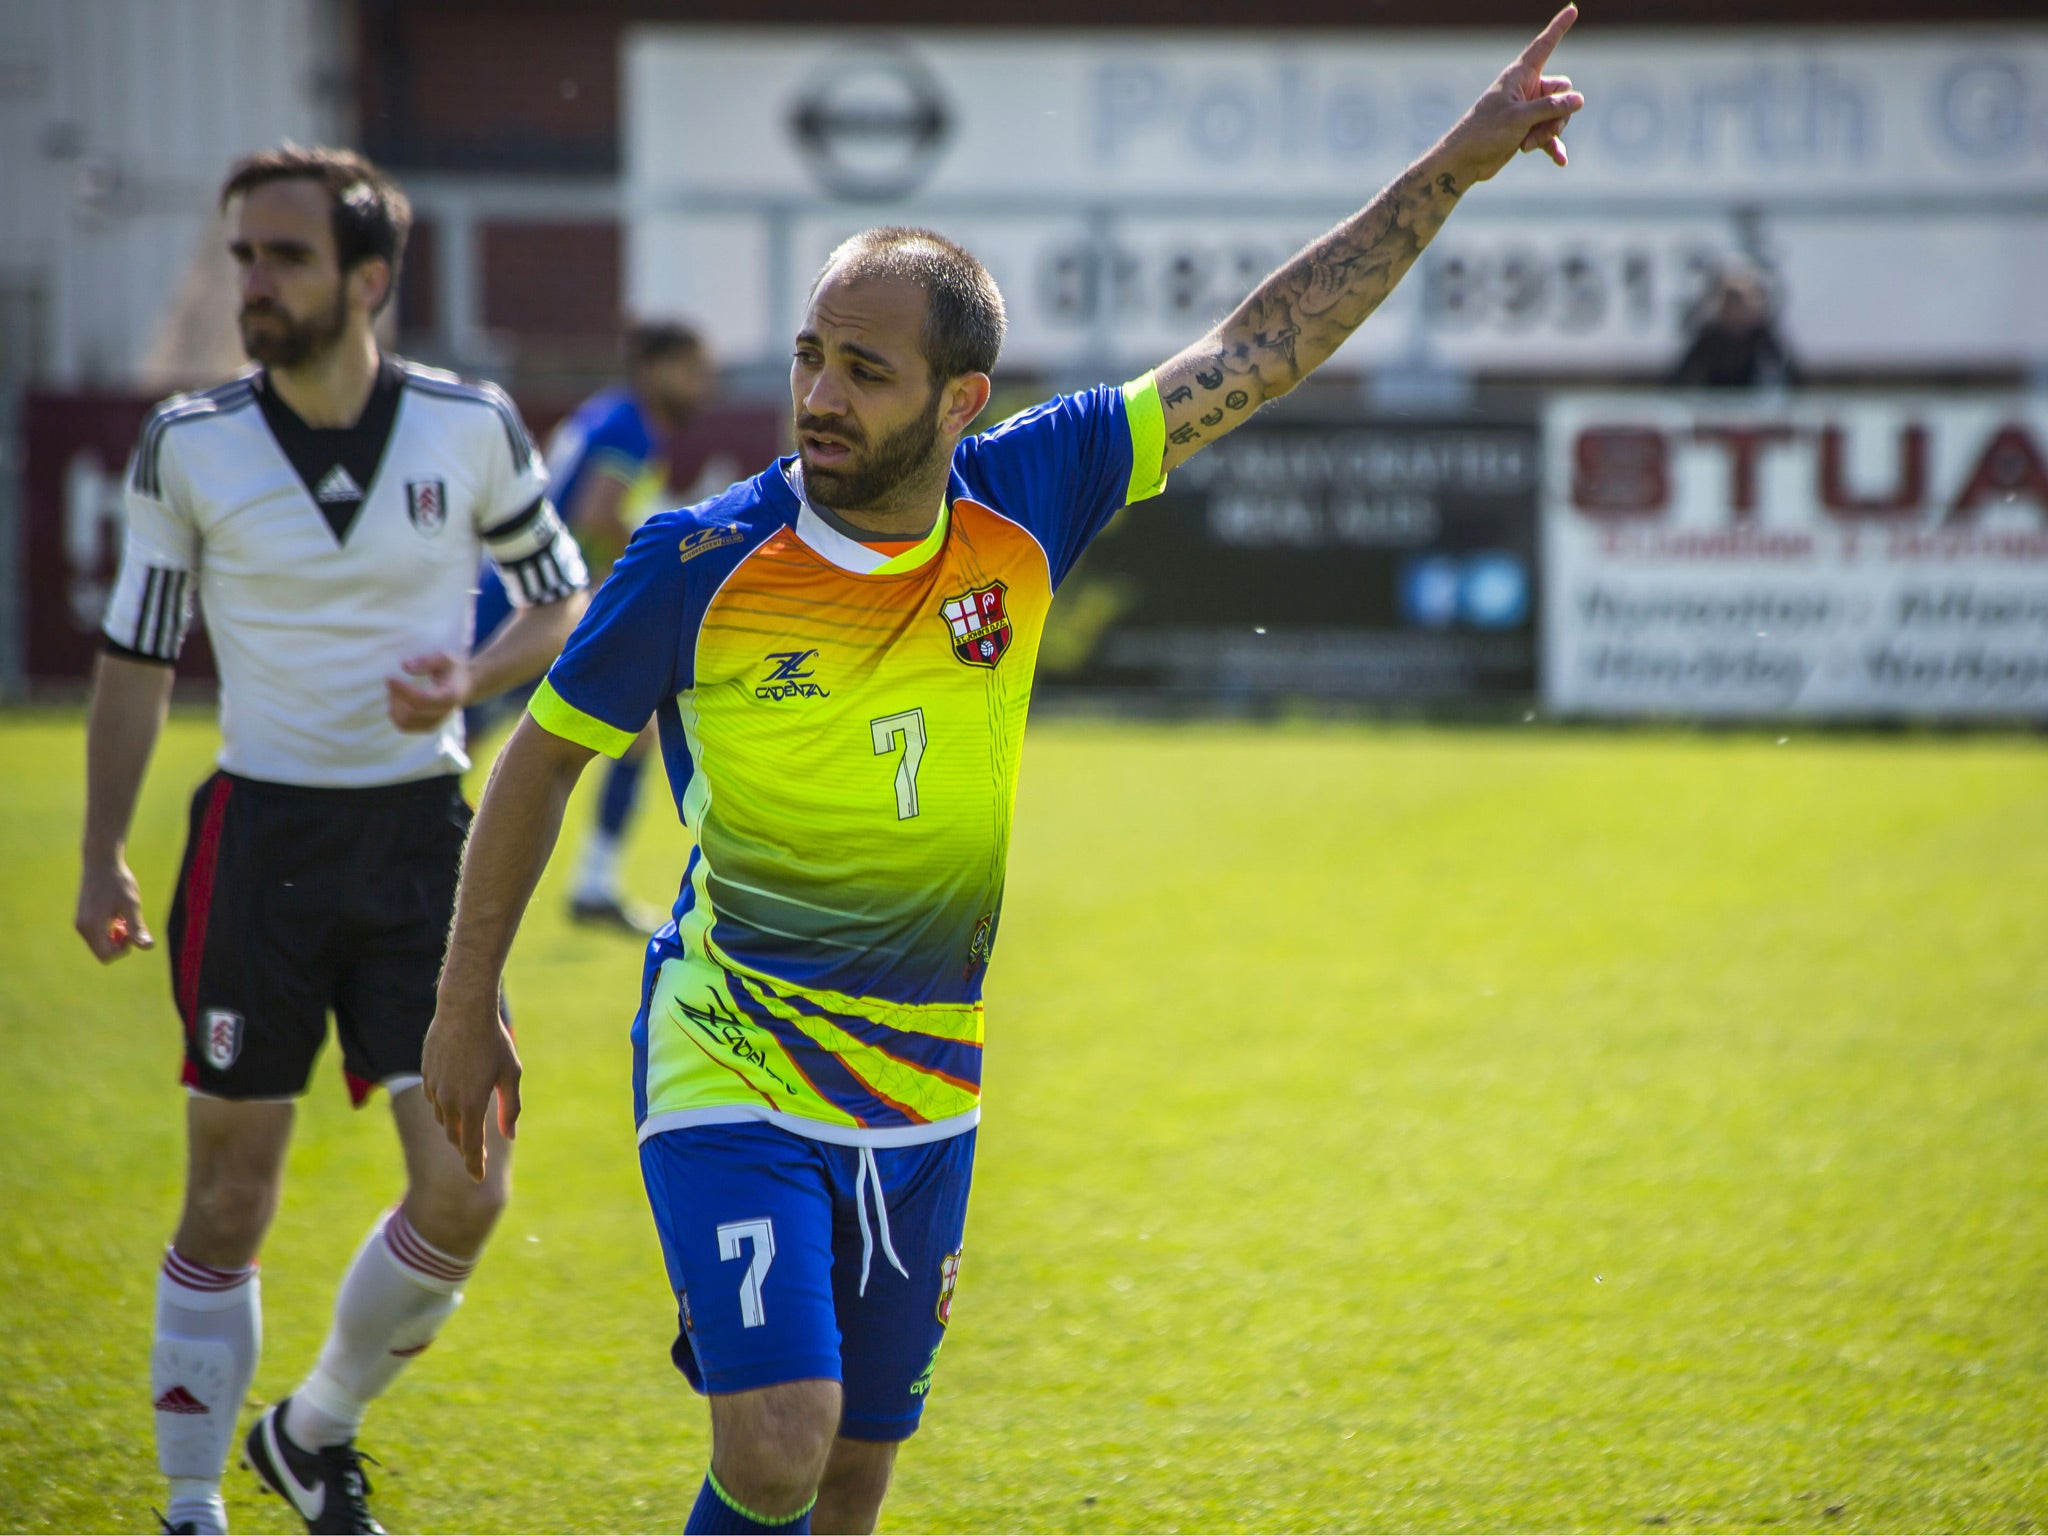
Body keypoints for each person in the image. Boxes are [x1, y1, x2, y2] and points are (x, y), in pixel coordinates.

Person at [422, 12, 1584, 1533]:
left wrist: (1458, 164)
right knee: (775, 1444)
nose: (821, 398)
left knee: (849, 1481)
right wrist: (465, 1000)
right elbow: (543, 760)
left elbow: (1265, 343)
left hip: (929, 1085)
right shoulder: (697, 559)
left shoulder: (1040, 487)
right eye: (810, 359)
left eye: (867, 371)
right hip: (732, 1053)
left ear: (962, 401)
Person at [74, 145, 588, 1536]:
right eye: (243, 254)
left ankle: (311, 1433)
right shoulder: (191, 442)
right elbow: (137, 655)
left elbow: (560, 602)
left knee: (468, 1183)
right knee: (230, 1197)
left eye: (285, 257)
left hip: (426, 843)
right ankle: (191, 1508)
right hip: (260, 843)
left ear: (368, 279)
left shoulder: (470, 427)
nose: (254, 282)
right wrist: (100, 848)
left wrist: (472, 679)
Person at [469, 321, 717, 932]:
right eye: (691, 369)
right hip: (528, 606)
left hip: (524, 594)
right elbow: (594, 513)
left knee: (634, 732)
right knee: (448, 736)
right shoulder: (633, 426)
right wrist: (653, 566)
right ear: (656, 369)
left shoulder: (608, 414)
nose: (700, 385)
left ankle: (595, 887)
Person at [1669, 258, 1800, 388]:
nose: (1734, 311)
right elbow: (1683, 373)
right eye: (1729, 304)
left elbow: (1787, 369)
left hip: (1752, 397)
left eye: (1739, 304)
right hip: (1715, 397)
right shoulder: (1710, 334)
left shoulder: (1760, 333)